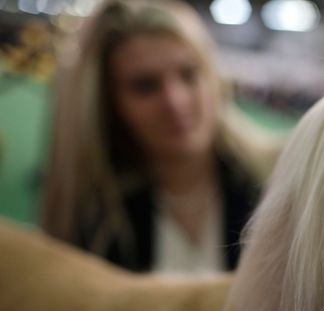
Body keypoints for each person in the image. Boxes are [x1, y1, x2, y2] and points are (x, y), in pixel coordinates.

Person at [42, 0, 276, 274]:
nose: (175, 102)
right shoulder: (93, 217)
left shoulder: (275, 184)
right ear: (109, 104)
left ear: (213, 78)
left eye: (188, 75)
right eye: (145, 86)